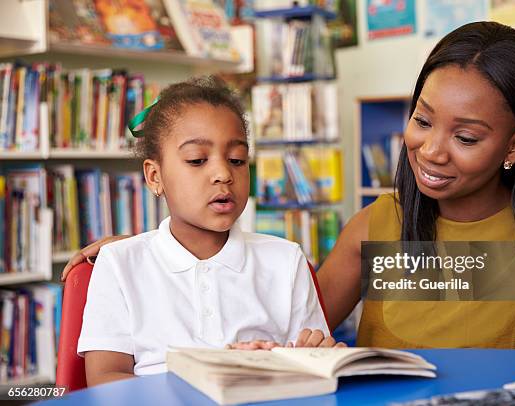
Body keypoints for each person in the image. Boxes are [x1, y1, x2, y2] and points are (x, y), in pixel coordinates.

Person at [65, 22, 515, 353]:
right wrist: (158, 252)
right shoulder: (378, 225)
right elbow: (287, 325)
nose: (432, 151)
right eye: (422, 121)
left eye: (465, 137)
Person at [77, 76, 342, 387]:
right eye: (197, 160)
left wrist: (309, 359)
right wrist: (212, 374)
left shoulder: (286, 260)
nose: (222, 174)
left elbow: (315, 367)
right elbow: (104, 379)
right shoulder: (120, 264)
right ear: (154, 176)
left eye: (237, 160)